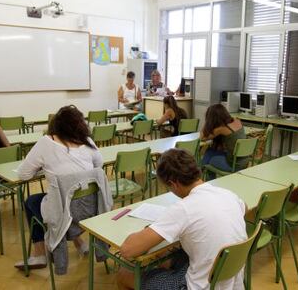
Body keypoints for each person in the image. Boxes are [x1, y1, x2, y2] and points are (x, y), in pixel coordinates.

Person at [117, 148, 247, 290]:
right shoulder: (228, 194)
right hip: (230, 277)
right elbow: (244, 208)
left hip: (201, 286)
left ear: (174, 184)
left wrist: (153, 228)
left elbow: (127, 250)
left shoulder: (183, 209)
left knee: (125, 274)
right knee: (167, 256)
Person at [14, 105, 103, 270]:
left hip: (64, 213)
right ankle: (80, 243)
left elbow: (23, 175)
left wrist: (43, 167)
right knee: (68, 197)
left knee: (32, 201)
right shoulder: (88, 141)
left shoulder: (46, 143)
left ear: (55, 125)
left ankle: (39, 254)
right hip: (91, 208)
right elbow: (98, 167)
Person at [201, 104, 249, 179]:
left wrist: (207, 122)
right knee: (210, 151)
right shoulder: (237, 121)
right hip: (244, 161)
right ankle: (203, 175)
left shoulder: (222, 129)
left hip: (234, 165)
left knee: (208, 160)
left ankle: (204, 177)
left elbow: (202, 137)